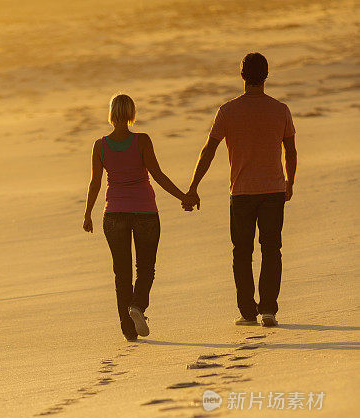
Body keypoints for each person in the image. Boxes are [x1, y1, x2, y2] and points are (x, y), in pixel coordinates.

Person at [183, 52, 297, 327]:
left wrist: (194, 187)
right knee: (272, 249)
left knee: (242, 252)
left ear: (242, 75)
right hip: (273, 190)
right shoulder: (280, 109)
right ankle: (268, 309)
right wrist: (289, 183)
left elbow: (208, 151)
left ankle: (248, 312)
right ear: (266, 75)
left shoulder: (228, 111)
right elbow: (290, 151)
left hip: (242, 192)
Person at [83, 93, 188, 341]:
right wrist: (183, 196)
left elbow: (95, 183)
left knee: (122, 273)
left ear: (111, 114)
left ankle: (129, 331)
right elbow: (158, 175)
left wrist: (87, 214)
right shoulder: (142, 141)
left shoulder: (101, 145)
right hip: (145, 212)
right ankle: (138, 306)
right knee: (146, 268)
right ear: (131, 113)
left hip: (114, 213)